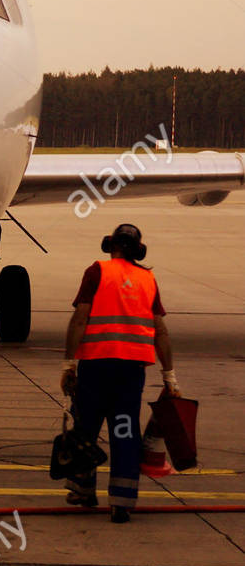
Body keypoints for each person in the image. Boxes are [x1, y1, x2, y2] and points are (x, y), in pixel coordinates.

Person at [60, 222, 180, 523]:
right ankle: (122, 502)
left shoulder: (97, 271)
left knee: (85, 428)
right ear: (138, 250)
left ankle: (82, 490)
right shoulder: (147, 279)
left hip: (96, 368)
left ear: (109, 245)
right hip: (130, 373)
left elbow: (80, 319)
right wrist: (170, 377)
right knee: (124, 433)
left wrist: (69, 364)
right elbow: (160, 332)